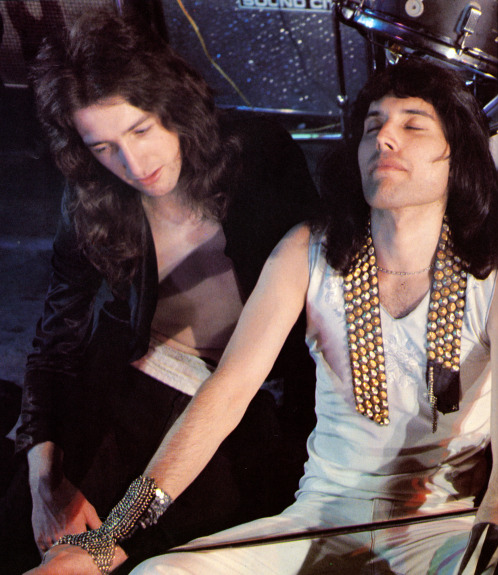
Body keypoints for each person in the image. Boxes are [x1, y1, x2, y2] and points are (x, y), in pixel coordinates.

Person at [26, 58, 498, 575]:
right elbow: (225, 393)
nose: (386, 137)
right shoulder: (307, 250)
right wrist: (110, 537)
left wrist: (491, 534)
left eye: (412, 124)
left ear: (459, 156)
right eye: (373, 126)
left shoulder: (491, 271)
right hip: (319, 514)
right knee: (159, 571)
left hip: (441, 531)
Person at [1, 8, 319, 575]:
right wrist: (43, 481)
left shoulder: (259, 155)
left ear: (172, 107)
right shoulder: (91, 198)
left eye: (140, 130)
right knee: (29, 543)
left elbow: (322, 284)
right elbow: (55, 344)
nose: (132, 163)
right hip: (120, 381)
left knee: (144, 558)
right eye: (102, 147)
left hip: (232, 401)